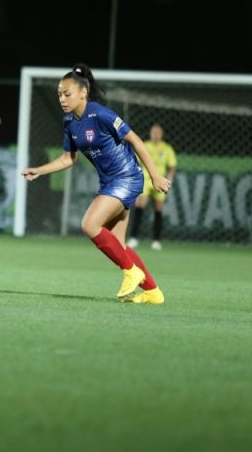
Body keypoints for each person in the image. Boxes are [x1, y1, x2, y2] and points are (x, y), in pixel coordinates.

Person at [22, 64, 170, 305]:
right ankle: (153, 292)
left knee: (90, 224)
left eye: (67, 94)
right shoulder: (69, 121)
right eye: (59, 94)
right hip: (110, 182)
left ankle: (131, 271)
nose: (62, 99)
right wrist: (39, 170)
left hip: (127, 177)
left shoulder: (101, 114)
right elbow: (68, 159)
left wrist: (155, 176)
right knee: (118, 245)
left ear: (83, 92)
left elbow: (135, 140)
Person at [127, 123, 177, 251]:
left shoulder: (167, 148)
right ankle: (133, 237)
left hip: (160, 181)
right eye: (154, 132)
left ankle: (156, 240)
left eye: (158, 132)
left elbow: (172, 167)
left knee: (158, 209)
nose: (156, 135)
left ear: (161, 134)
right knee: (140, 205)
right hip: (145, 179)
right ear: (150, 133)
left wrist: (169, 179)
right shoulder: (145, 145)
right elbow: (135, 161)